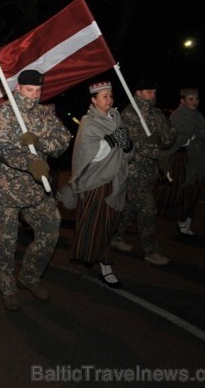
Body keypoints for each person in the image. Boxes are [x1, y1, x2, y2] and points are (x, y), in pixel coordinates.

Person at [0, 69, 71, 311]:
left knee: (51, 229)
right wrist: (29, 162)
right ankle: (7, 287)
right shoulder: (5, 112)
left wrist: (40, 142)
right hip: (8, 189)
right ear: (18, 89)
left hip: (37, 189)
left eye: (38, 91)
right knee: (7, 241)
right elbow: (1, 147)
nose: (34, 95)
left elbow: (63, 140)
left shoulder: (45, 113)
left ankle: (29, 276)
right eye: (29, 90)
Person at [58, 81, 133, 288]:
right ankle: (104, 264)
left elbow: (126, 150)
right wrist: (110, 141)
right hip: (95, 181)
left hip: (116, 180)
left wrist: (128, 145)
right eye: (104, 96)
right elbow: (86, 155)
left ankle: (103, 261)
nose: (109, 100)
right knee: (93, 225)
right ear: (93, 100)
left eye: (110, 96)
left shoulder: (117, 118)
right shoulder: (88, 122)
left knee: (109, 225)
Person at [110, 78, 176, 266]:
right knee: (148, 207)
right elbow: (132, 143)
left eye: (154, 92)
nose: (152, 95)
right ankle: (150, 251)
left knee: (131, 207)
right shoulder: (129, 114)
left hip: (150, 171)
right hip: (133, 170)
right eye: (148, 92)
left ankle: (116, 236)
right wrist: (159, 153)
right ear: (138, 93)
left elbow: (170, 136)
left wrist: (158, 140)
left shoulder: (156, 114)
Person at [155, 87, 205, 236]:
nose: (194, 102)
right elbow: (175, 139)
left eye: (196, 99)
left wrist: (204, 137)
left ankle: (186, 221)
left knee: (195, 191)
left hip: (197, 158)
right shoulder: (177, 116)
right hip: (182, 159)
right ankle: (176, 217)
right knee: (180, 192)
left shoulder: (198, 115)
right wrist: (194, 137)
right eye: (191, 99)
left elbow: (204, 134)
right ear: (183, 100)